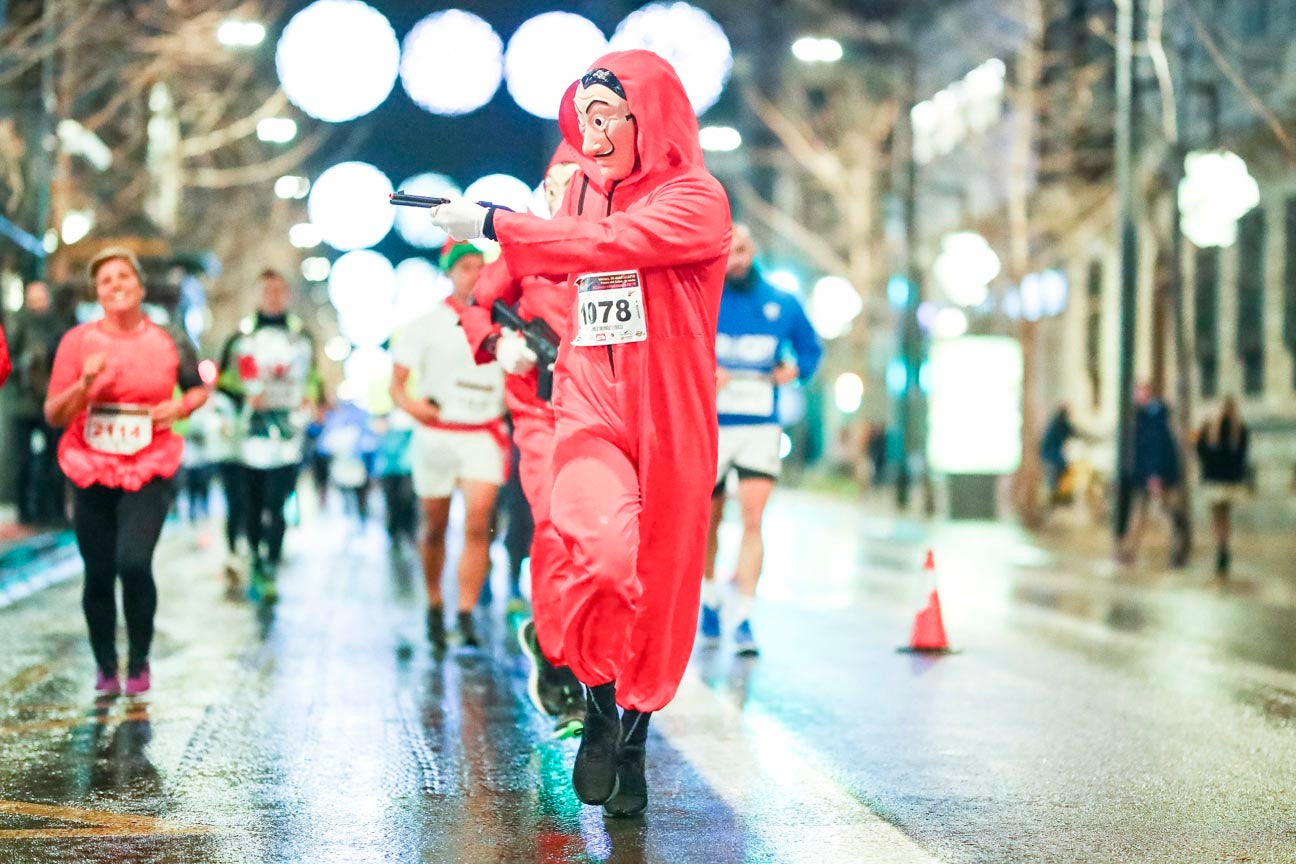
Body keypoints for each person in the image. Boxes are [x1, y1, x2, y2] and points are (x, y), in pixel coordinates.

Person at [430, 51, 732, 817]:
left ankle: (631, 730)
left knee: (662, 586)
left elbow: (608, 248)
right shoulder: (576, 199)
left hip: (672, 414)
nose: (592, 136)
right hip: (586, 400)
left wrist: (503, 222)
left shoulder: (697, 199)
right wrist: (491, 325)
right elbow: (510, 275)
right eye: (584, 119)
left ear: (650, 118)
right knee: (599, 552)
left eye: (607, 117)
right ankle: (597, 696)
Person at [456, 143, 587, 738]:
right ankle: (560, 657)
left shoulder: (610, 243)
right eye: (558, 181)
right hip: (538, 414)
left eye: (580, 180)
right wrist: (497, 344)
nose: (567, 192)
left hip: (601, 416)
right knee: (555, 530)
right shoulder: (525, 244)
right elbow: (477, 304)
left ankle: (581, 646)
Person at [43, 247, 207, 696]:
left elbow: (198, 389)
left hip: (148, 464)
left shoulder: (169, 337)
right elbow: (55, 413)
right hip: (89, 465)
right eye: (105, 281)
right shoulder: (78, 341)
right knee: (98, 571)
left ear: (139, 285)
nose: (114, 286)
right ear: (97, 293)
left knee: (133, 563)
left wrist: (179, 404)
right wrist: (85, 385)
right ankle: (105, 665)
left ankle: (138, 660)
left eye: (122, 277)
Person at [702, 223, 821, 657]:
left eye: (745, 250)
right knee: (708, 520)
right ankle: (710, 598)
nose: (738, 259)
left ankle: (745, 615)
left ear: (755, 251)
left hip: (759, 424)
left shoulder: (781, 302)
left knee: (754, 518)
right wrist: (705, 372)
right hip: (713, 424)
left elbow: (810, 351)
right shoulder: (705, 297)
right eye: (730, 251)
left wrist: (795, 371)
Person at [390, 241, 505, 655]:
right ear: (450, 273)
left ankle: (466, 612)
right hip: (437, 434)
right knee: (434, 527)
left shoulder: (502, 321)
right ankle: (435, 602)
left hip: (482, 434)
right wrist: (415, 408)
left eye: (480, 266)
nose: (474, 274)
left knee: (478, 522)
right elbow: (397, 385)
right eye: (465, 267)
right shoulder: (425, 325)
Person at [218, 269, 321, 601]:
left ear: (286, 294)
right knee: (250, 504)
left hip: (288, 439)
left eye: (279, 290)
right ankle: (253, 554)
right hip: (248, 439)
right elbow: (224, 383)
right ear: (258, 294)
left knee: (277, 505)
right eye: (267, 291)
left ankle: (270, 563)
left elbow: (314, 379)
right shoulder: (240, 339)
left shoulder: (301, 339)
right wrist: (245, 398)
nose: (273, 297)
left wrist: (312, 398)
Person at [8, 281, 72, 524]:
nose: (37, 304)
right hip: (24, 404)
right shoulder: (19, 325)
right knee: (22, 462)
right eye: (33, 299)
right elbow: (8, 360)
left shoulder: (58, 325)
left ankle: (53, 510)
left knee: (55, 460)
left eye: (41, 298)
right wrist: (24, 366)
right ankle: (26, 512)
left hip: (53, 403)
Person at [1117, 383, 1188, 567]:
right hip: (1150, 472)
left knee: (1161, 509)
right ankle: (1131, 550)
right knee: (1144, 510)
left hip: (1156, 473)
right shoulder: (1147, 416)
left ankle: (1177, 545)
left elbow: (1154, 447)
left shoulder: (1153, 417)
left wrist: (1154, 475)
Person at [1195, 395, 1249, 576]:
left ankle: (1220, 548)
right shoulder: (1239, 429)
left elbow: (1200, 451)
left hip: (1213, 481)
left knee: (1217, 518)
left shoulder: (1210, 428)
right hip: (1231, 483)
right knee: (1225, 517)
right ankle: (1224, 547)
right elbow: (1242, 457)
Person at [1040, 403, 1079, 504]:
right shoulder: (1059, 424)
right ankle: (1054, 500)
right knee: (1054, 478)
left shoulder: (1056, 423)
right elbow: (1075, 433)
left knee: (1057, 476)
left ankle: (1055, 499)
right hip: (1052, 457)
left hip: (1051, 456)